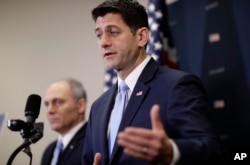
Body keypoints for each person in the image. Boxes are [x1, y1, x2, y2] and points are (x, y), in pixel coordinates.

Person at [82, 0, 221, 165]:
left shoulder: (177, 86)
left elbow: (213, 151)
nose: (103, 42)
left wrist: (172, 151)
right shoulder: (98, 106)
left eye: (112, 32)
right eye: (99, 35)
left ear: (141, 37)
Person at [41, 78, 88, 165]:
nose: (50, 110)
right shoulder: (49, 151)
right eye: (47, 104)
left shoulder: (92, 144)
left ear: (80, 105)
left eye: (58, 102)